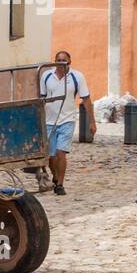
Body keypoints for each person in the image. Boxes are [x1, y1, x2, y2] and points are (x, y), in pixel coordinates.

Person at [39, 50, 95, 196]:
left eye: (64, 60)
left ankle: (60, 184)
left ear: (69, 62)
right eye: (58, 60)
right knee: (51, 156)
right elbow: (41, 99)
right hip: (49, 121)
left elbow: (86, 99)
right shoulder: (46, 76)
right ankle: (55, 177)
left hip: (67, 119)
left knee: (60, 152)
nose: (61, 62)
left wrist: (92, 122)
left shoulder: (77, 77)